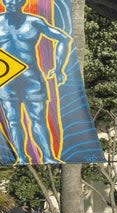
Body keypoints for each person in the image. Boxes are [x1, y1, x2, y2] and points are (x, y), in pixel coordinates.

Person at [0, 0, 73, 163]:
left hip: (31, 79)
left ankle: (48, 157)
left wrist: (59, 67)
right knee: (13, 120)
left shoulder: (34, 22)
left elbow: (64, 39)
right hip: (7, 80)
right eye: (7, 0)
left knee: (38, 119)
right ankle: (22, 158)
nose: (10, 3)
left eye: (14, 0)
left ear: (22, 2)